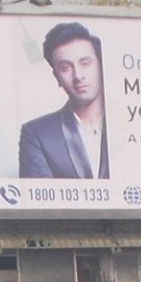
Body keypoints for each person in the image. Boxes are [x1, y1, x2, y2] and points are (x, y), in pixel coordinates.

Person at [17, 22, 109, 179]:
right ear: (57, 77)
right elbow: (37, 200)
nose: (78, 76)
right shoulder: (38, 133)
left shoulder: (133, 123)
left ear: (101, 66)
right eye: (66, 68)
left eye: (85, 63)